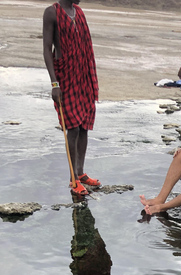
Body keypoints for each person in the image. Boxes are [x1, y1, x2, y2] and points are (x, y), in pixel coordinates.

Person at [43, 0, 101, 196]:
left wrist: (90, 78)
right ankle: (72, 179)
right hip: (65, 78)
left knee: (84, 126)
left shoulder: (79, 13)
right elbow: (47, 50)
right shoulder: (51, 13)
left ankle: (80, 173)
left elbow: (85, 46)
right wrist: (54, 83)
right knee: (73, 127)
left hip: (83, 76)